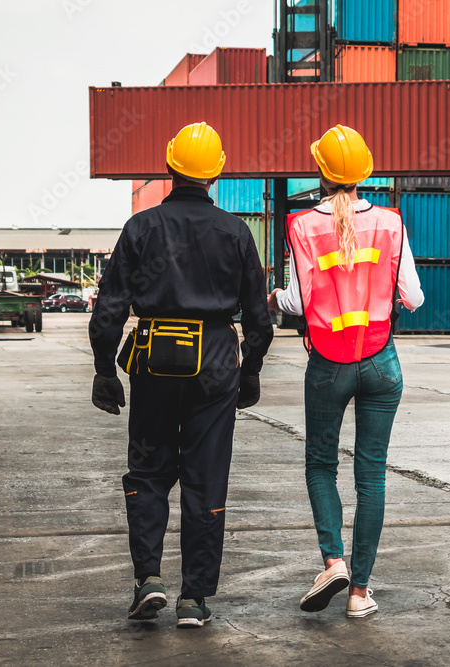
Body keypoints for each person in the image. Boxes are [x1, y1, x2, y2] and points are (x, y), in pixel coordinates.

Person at [89, 122, 273, 628]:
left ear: (170, 168)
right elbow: (259, 317)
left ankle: (149, 579)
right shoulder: (235, 232)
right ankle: (194, 600)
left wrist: (106, 369)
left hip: (155, 356)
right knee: (205, 479)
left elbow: (109, 309)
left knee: (148, 471)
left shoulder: (141, 228)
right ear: (215, 174)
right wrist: (250, 370)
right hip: (215, 359)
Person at [268, 124, 424, 618]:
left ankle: (333, 560)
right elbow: (414, 299)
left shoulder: (300, 226)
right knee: (371, 476)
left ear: (320, 172)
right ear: (364, 172)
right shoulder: (392, 223)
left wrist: (271, 297)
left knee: (320, 464)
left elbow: (295, 301)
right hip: (381, 361)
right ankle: (360, 594)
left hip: (328, 364)